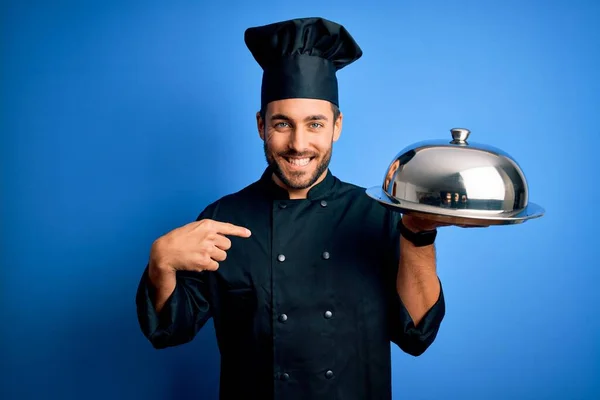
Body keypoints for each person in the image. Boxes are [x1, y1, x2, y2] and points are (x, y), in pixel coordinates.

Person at [136, 17, 447, 400]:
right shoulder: (221, 221)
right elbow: (170, 329)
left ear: (337, 126)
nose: (298, 144)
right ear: (260, 125)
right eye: (282, 124)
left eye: (314, 124)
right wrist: (159, 263)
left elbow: (417, 333)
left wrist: (418, 232)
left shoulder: (376, 215)